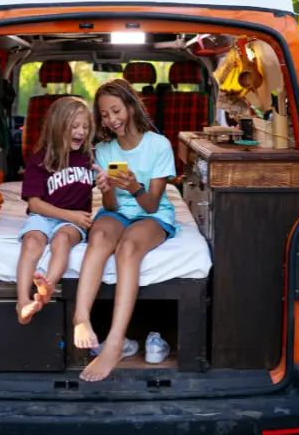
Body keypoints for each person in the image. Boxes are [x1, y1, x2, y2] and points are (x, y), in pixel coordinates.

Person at [73, 78, 176, 381]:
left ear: (131, 106)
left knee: (128, 248)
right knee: (100, 234)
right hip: (117, 212)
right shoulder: (104, 150)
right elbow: (112, 206)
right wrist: (106, 188)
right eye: (104, 115)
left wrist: (134, 187)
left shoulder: (158, 145)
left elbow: (151, 205)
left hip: (152, 214)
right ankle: (81, 316)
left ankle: (115, 342)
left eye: (116, 110)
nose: (111, 119)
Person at [17, 96, 94, 324]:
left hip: (72, 224)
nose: (81, 132)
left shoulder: (89, 157)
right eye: (75, 126)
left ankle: (45, 289)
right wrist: (70, 215)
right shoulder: (39, 160)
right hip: (48, 215)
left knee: (61, 241)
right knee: (31, 242)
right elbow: (34, 204)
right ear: (57, 126)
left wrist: (107, 185)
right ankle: (22, 302)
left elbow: (106, 190)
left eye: (86, 127)